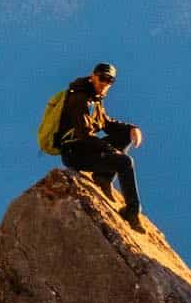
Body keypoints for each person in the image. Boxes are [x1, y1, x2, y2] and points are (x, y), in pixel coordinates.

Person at [55, 61, 145, 228]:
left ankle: (103, 177)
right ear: (93, 77)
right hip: (73, 153)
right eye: (102, 78)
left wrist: (132, 129)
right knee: (125, 162)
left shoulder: (94, 99)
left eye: (110, 80)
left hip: (83, 148)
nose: (105, 83)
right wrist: (111, 151)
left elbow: (107, 124)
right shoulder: (79, 99)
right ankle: (132, 213)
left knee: (125, 136)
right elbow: (84, 135)